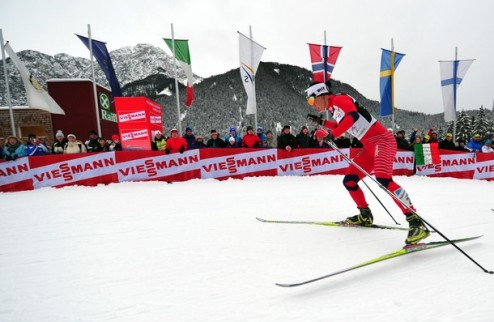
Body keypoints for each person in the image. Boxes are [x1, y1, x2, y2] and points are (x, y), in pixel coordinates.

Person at [305, 81, 429, 245]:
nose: (312, 105)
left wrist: (332, 134)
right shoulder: (334, 109)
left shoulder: (340, 99)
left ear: (321, 94)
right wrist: (322, 123)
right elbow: (341, 124)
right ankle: (365, 215)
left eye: (312, 100)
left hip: (383, 142)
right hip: (369, 148)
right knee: (349, 181)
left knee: (384, 180)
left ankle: (416, 221)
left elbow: (353, 117)